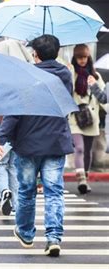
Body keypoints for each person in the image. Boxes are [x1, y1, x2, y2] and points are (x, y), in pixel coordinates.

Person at [0, 34, 73, 257]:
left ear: (35, 54)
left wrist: (2, 139)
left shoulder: (26, 75)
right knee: (54, 192)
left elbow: (15, 110)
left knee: (27, 192)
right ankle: (54, 237)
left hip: (28, 144)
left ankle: (27, 234)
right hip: (56, 141)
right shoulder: (65, 74)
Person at [68, 44, 105, 194]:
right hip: (74, 117)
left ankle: (86, 177)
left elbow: (103, 98)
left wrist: (94, 85)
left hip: (91, 118)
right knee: (79, 148)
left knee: (88, 151)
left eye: (84, 57)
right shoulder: (71, 74)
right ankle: (81, 179)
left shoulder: (95, 76)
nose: (82, 60)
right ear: (75, 58)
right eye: (79, 57)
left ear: (88, 58)